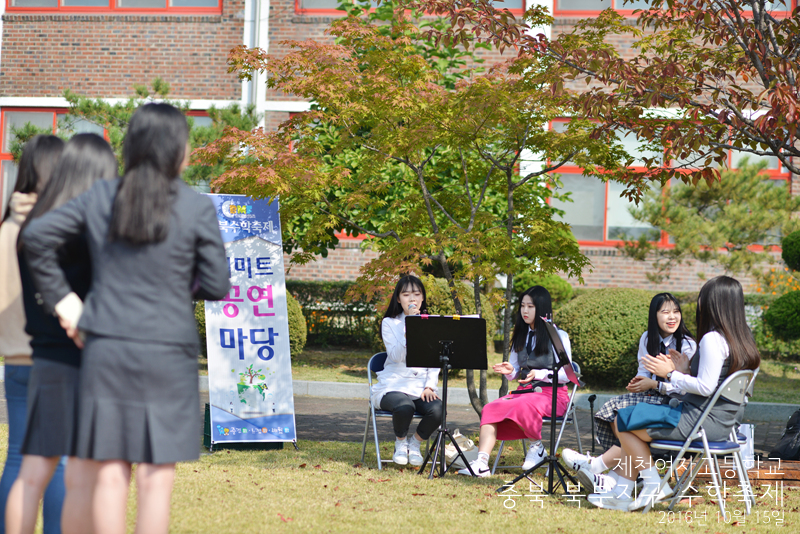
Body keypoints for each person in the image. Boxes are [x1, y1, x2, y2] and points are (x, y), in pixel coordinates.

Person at [21, 103, 230, 534]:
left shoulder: (100, 196)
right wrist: (175, 286)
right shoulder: (195, 207)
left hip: (106, 349)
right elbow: (216, 283)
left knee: (111, 474)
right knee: (156, 481)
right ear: (176, 148)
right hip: (169, 356)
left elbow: (36, 237)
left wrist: (65, 303)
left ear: (131, 145)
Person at [6, 134, 118, 534]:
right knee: (77, 469)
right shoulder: (79, 231)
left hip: (32, 355)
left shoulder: (24, 225)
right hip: (75, 358)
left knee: (28, 467)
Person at [588, 276, 761, 511]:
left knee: (623, 419)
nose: (699, 303)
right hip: (726, 423)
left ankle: (650, 484)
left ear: (714, 302)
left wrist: (671, 373)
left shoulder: (712, 338)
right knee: (631, 416)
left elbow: (706, 388)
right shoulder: (743, 339)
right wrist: (687, 371)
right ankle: (621, 493)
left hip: (699, 421)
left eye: (703, 297)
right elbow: (717, 383)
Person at [562, 293, 697, 495]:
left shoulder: (687, 344)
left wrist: (656, 383)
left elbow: (684, 387)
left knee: (627, 420)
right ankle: (616, 477)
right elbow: (643, 372)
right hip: (652, 394)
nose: (672, 317)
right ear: (654, 315)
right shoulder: (647, 338)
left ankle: (598, 467)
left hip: (674, 401)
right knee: (614, 410)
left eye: (676, 312)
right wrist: (639, 383)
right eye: (665, 312)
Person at [0, 135, 66, 534]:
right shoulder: (53, 229)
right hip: (53, 359)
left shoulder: (6, 227)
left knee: (17, 458)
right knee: (57, 459)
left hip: (13, 361)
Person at [459, 285, 572, 478]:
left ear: (542, 308)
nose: (525, 311)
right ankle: (482, 463)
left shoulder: (558, 336)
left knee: (524, 404)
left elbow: (566, 375)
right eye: (522, 306)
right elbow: (516, 371)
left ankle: (536, 447)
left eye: (531, 306)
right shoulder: (520, 334)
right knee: (490, 408)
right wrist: (511, 372)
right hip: (525, 394)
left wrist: (540, 374)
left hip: (553, 396)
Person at [372, 275, 442, 467]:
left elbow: (435, 361)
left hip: (420, 387)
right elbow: (395, 356)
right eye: (406, 294)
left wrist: (430, 386)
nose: (412, 299)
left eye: (417, 294)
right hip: (393, 386)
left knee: (438, 409)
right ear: (398, 298)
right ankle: (400, 443)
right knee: (405, 407)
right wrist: (409, 327)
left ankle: (415, 444)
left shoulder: (431, 323)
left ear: (422, 298)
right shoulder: (390, 323)